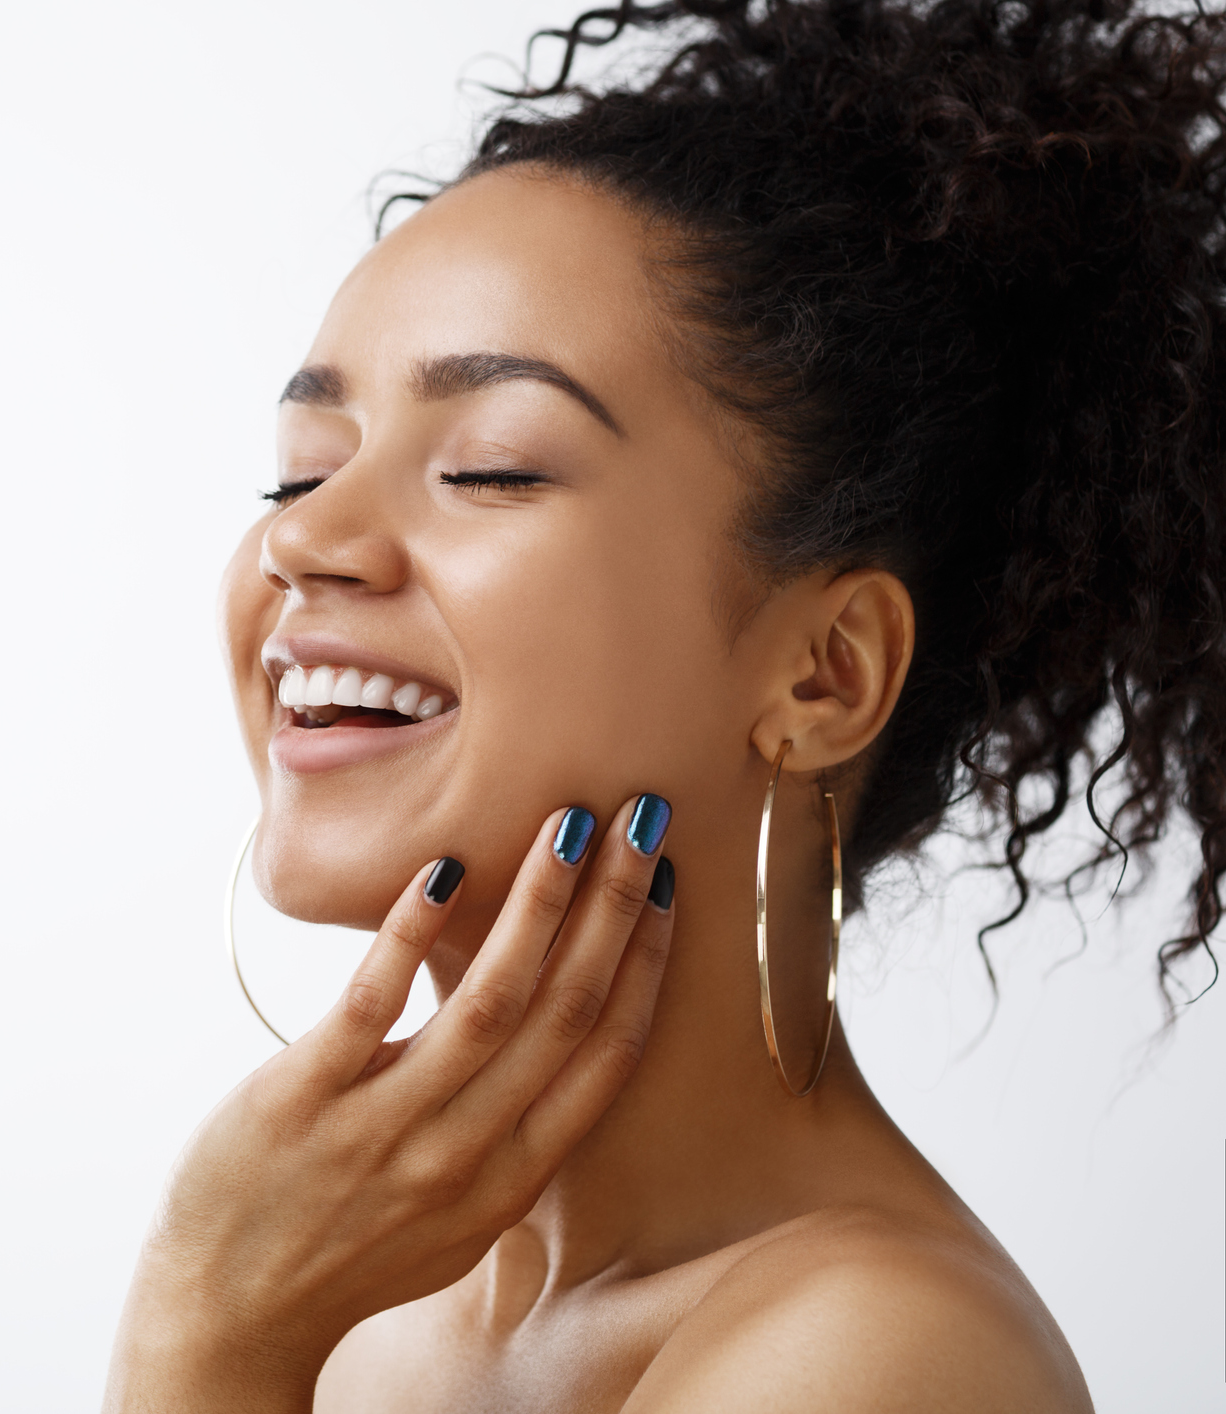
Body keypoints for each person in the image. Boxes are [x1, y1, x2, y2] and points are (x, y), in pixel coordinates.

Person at [102, 0, 1226, 1408]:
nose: (302, 540)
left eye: (492, 467)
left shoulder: (878, 1354)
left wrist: (201, 1339)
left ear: (823, 674)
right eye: (298, 470)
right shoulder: (355, 1320)